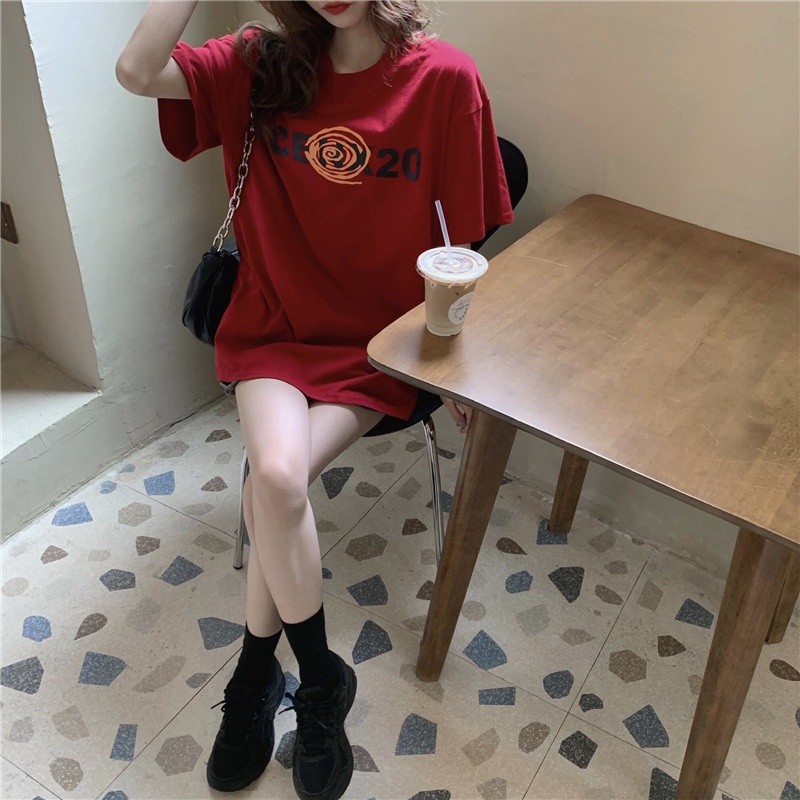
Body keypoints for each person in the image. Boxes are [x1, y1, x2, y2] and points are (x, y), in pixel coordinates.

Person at [116, 2, 512, 798]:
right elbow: (136, 70)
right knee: (278, 477)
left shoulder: (445, 79)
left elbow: (460, 247)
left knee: (274, 483)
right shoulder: (259, 65)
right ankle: (322, 682)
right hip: (274, 325)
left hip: (379, 347)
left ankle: (255, 678)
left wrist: (456, 362)